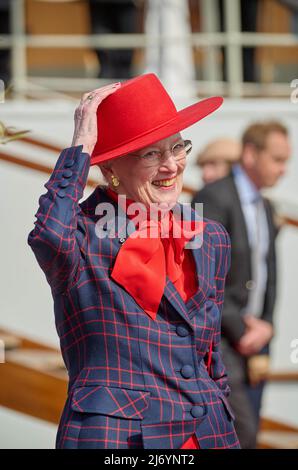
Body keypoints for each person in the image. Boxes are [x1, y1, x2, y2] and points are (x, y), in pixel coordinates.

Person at [27, 73, 240, 449]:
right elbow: (47, 233)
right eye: (151, 154)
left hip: (207, 436)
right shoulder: (82, 235)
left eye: (177, 148)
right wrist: (81, 147)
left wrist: (220, 407)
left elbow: (208, 352)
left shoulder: (211, 236)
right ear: (110, 170)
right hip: (121, 440)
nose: (171, 166)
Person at [192, 121, 291, 448]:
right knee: (239, 432)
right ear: (250, 154)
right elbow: (204, 274)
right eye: (277, 159)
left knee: (251, 427)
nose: (284, 170)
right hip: (221, 337)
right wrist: (241, 329)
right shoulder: (212, 197)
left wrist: (267, 326)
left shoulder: (265, 205)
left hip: (255, 340)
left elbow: (269, 272)